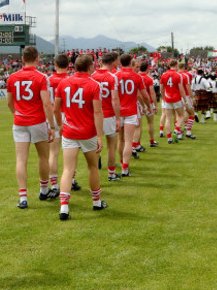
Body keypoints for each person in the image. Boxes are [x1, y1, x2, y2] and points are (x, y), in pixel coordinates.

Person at [53, 54, 105, 220]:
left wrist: (60, 125)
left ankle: (64, 208)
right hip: (88, 132)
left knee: (68, 169)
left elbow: (56, 109)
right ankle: (96, 202)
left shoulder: (63, 83)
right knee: (92, 167)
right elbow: (97, 112)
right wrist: (99, 136)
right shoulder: (94, 85)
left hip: (70, 131)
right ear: (90, 67)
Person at [7, 46, 57, 209]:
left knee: (21, 160)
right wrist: (52, 126)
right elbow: (47, 104)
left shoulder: (12, 77)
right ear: (37, 59)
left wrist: (18, 113)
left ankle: (23, 197)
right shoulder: (41, 77)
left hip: (20, 122)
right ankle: (43, 190)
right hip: (37, 121)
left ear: (22, 59)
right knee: (43, 157)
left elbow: (9, 102)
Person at [48, 54, 80, 193]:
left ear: (55, 64)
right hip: (68, 115)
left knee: (53, 152)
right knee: (73, 151)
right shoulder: (71, 80)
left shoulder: (48, 80)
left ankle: (54, 185)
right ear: (68, 65)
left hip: (53, 115)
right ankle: (71, 180)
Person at [115, 53, 148, 177]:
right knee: (128, 141)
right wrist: (148, 106)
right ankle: (125, 168)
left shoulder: (116, 76)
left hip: (119, 111)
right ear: (130, 63)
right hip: (131, 110)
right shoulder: (136, 76)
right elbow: (144, 94)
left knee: (121, 140)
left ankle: (121, 162)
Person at [91, 52, 122, 181]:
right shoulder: (112, 77)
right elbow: (114, 99)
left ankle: (95, 168)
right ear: (113, 62)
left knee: (95, 145)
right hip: (108, 114)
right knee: (111, 145)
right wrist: (118, 117)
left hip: (94, 115)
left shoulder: (92, 76)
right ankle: (111, 173)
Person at [160, 60, 187, 144]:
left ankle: (169, 137)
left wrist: (163, 97)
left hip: (167, 99)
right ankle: (176, 130)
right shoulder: (178, 75)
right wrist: (185, 99)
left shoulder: (163, 75)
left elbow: (161, 88)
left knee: (168, 118)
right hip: (176, 98)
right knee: (181, 115)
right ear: (176, 65)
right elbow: (181, 89)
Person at [137, 61, 159, 147]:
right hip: (148, 102)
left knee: (138, 125)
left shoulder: (137, 77)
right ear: (147, 68)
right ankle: (151, 141)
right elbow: (152, 92)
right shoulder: (149, 79)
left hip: (139, 102)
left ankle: (137, 144)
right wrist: (155, 105)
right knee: (150, 122)